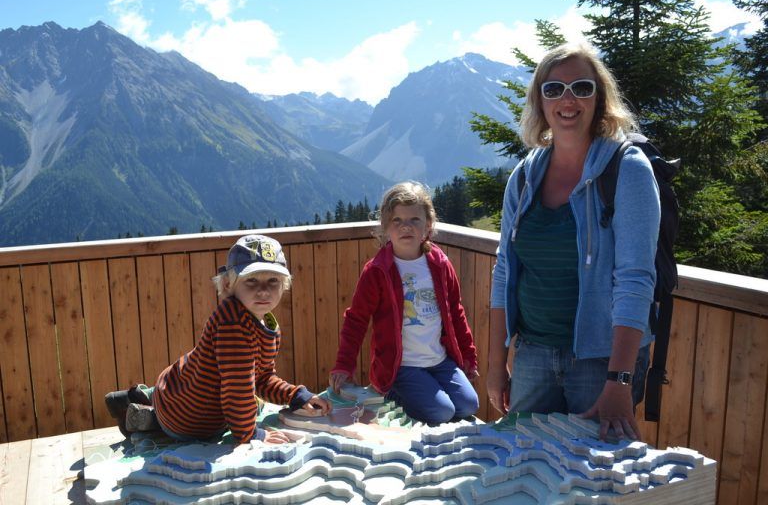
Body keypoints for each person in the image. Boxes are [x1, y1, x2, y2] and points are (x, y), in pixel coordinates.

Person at [486, 42, 660, 441]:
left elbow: (635, 280)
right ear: (540, 102)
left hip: (599, 363)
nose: (568, 100)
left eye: (582, 88)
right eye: (553, 89)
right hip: (532, 353)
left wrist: (619, 379)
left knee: (594, 484)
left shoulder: (626, 170)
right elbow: (505, 271)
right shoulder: (526, 176)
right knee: (525, 469)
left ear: (600, 98)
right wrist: (497, 363)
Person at [105, 234, 331, 444]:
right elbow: (237, 390)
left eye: (273, 280)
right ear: (227, 285)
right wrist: (251, 434)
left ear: (284, 286)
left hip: (181, 387)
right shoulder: (233, 324)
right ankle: (148, 419)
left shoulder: (266, 323)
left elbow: (261, 378)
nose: (263, 291)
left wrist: (296, 395)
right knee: (248, 408)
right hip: (191, 420)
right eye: (251, 281)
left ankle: (147, 396)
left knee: (192, 392)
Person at [329, 181, 480, 425]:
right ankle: (390, 391)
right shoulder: (378, 271)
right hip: (401, 366)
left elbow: (455, 312)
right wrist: (344, 365)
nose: (405, 227)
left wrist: (468, 358)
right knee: (442, 412)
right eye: (396, 220)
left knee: (468, 405)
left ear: (428, 225)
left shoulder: (440, 265)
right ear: (386, 227)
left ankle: (423, 392)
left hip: (440, 361)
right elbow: (356, 319)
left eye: (414, 220)